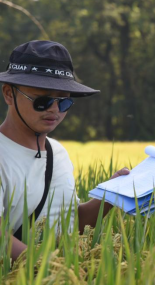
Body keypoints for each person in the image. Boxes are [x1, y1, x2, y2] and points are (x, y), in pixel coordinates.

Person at [0, 40, 129, 261]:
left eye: (63, 102)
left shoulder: (57, 152)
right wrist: (46, 266)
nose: (54, 110)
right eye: (42, 100)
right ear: (9, 94)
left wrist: (111, 196)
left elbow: (68, 221)